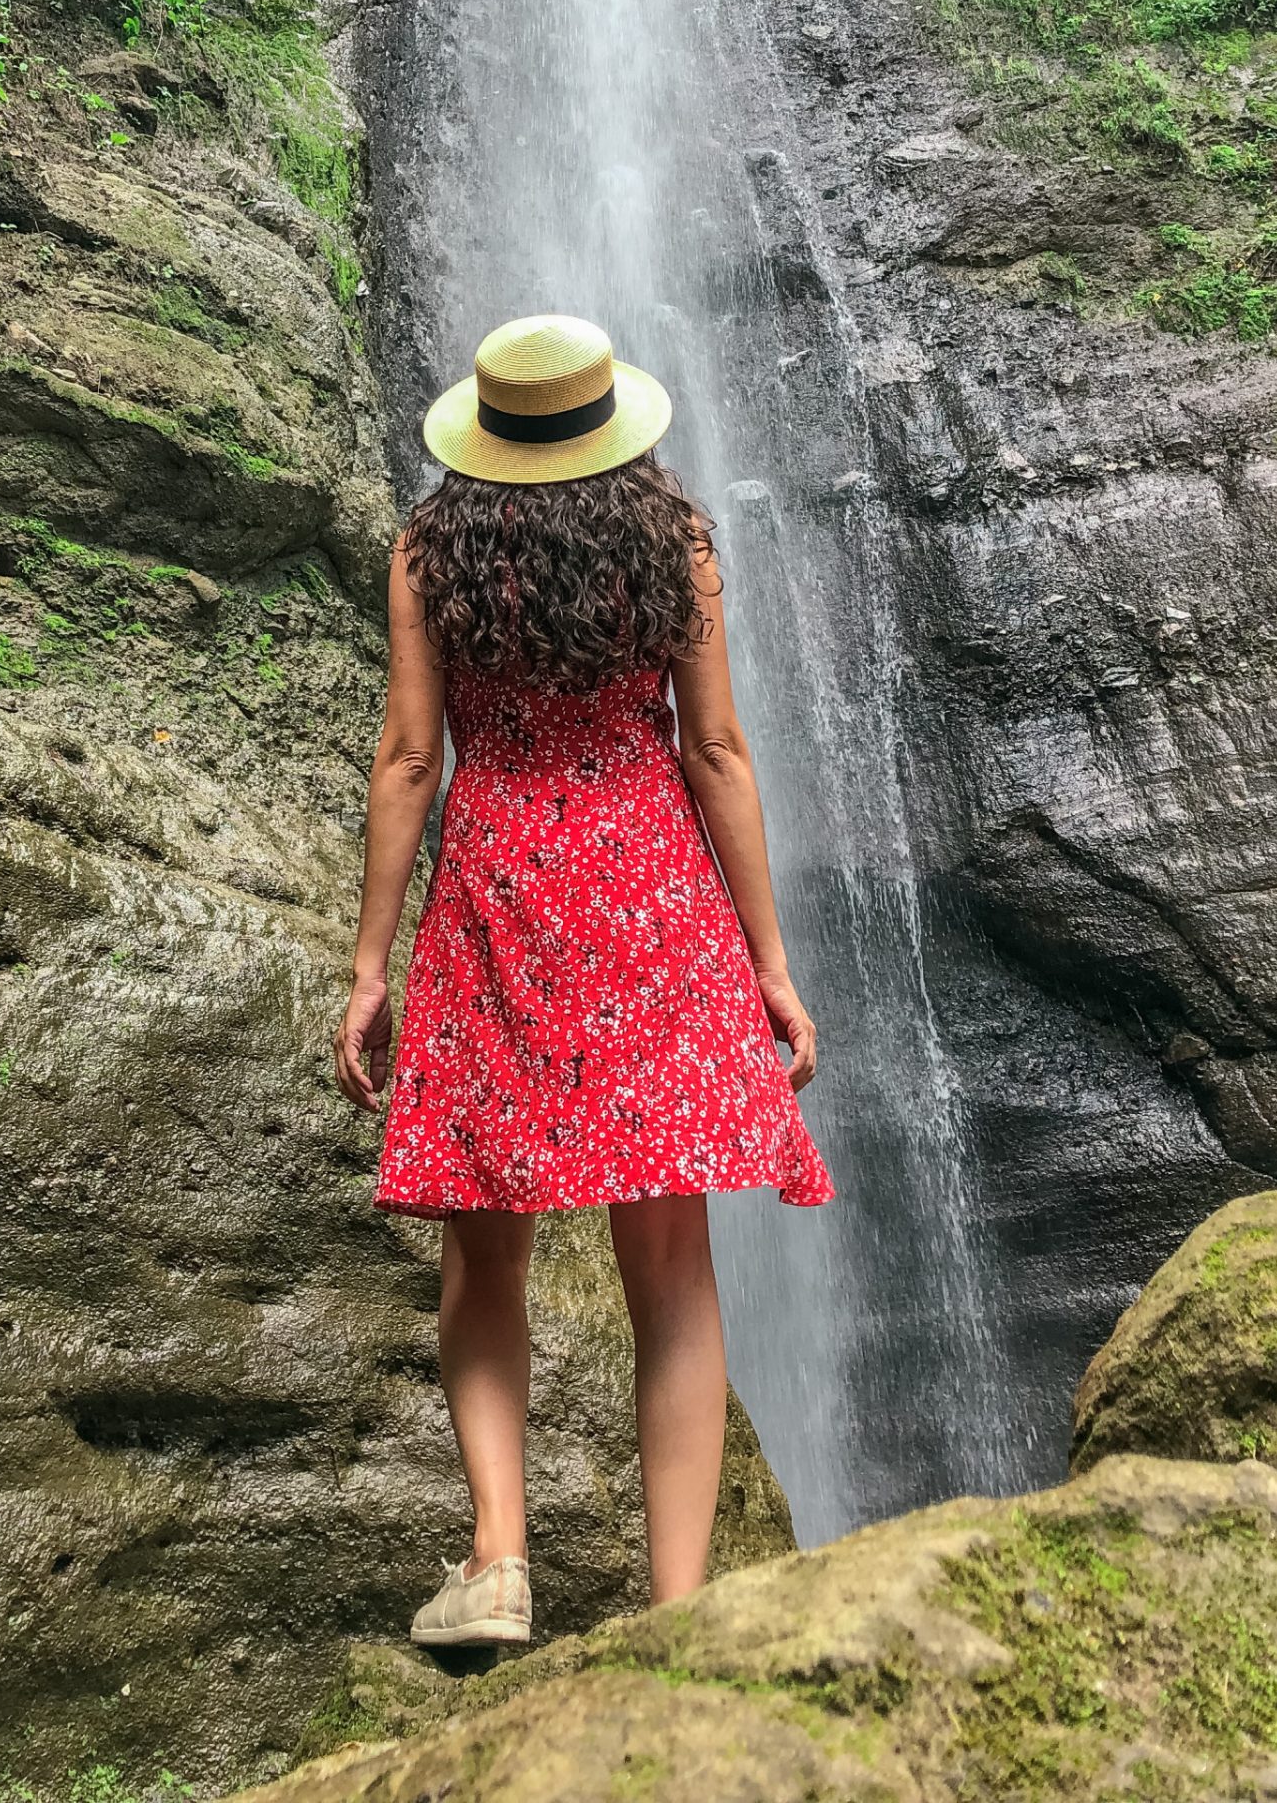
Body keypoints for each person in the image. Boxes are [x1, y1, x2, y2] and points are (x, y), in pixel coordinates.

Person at [333, 313, 831, 1650]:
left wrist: (373, 964)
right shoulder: (674, 543)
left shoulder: (431, 551)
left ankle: (498, 1558)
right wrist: (770, 966)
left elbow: (406, 761)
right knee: (670, 1267)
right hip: (653, 901)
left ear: (487, 433)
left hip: (497, 899)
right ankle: (680, 1611)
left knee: (483, 1245)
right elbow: (717, 751)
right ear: (613, 425)